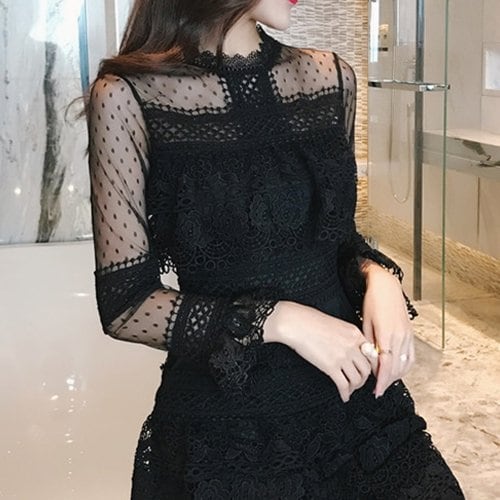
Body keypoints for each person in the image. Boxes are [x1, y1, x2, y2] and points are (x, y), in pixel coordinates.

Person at [86, 0, 465, 498]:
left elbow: (337, 240)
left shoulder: (330, 78)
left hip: (355, 409)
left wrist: (380, 278)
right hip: (228, 436)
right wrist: (280, 320)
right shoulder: (127, 96)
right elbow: (125, 305)